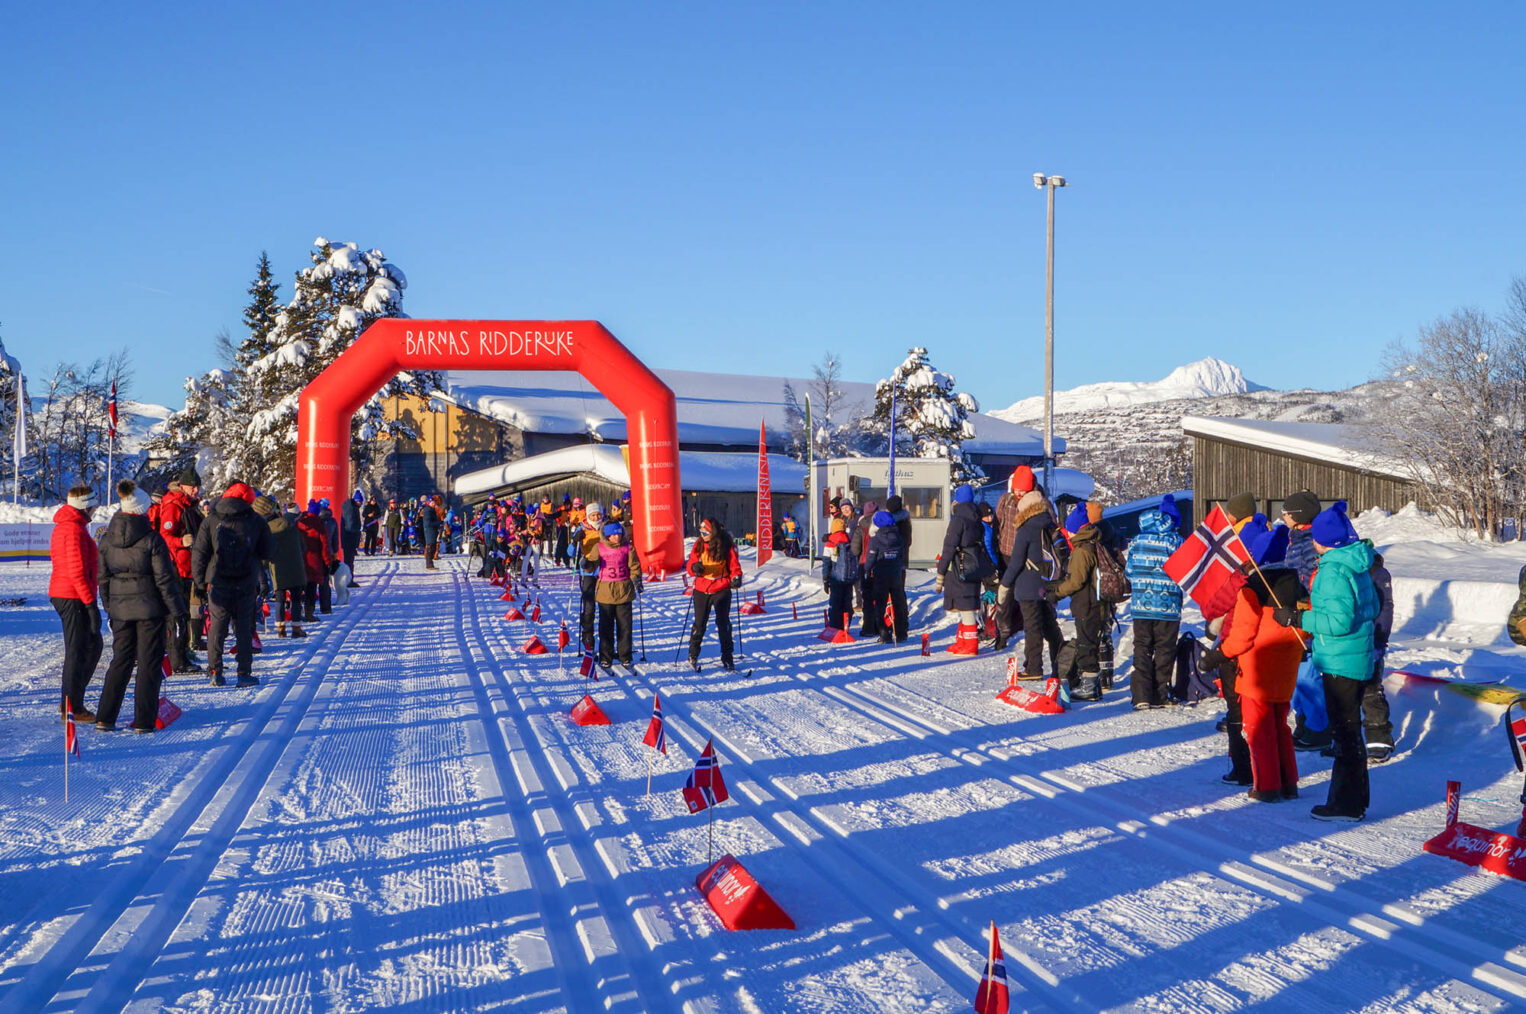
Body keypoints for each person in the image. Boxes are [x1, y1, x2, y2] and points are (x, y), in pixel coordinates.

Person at [1273, 500, 1380, 822]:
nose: (1314, 543)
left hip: (1340, 660)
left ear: (1325, 541)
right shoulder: (1356, 561)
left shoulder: (1333, 570)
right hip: (1356, 655)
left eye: (1317, 538)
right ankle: (1355, 799)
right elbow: (1371, 607)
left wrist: (1298, 618)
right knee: (1350, 732)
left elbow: (1338, 621)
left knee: (1345, 734)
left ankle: (1345, 805)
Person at [1210, 523, 1305, 801]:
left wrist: (1220, 654)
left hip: (1256, 671)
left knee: (1259, 730)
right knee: (1281, 727)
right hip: (1285, 670)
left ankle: (1266, 787)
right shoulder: (1297, 585)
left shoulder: (1252, 589)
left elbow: (1242, 636)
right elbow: (1304, 627)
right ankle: (1288, 782)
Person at [95, 480, 187, 732]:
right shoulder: (151, 539)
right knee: (148, 663)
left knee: (121, 661)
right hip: (150, 610)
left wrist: (110, 608)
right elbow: (164, 579)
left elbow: (103, 579)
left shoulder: (106, 539)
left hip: (120, 610)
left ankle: (105, 717)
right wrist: (178, 610)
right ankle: (145, 720)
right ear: (142, 509)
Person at [191, 482, 273, 688]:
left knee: (217, 627)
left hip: (218, 581)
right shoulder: (256, 520)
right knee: (243, 628)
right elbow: (268, 551)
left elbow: (199, 553)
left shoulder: (211, 520)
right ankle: (243, 673)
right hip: (245, 581)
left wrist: (199, 582)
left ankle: (215, 671)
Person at [1124, 494, 1185, 709]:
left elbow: (1129, 572)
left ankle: (1141, 695)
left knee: (1142, 647)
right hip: (1168, 607)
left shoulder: (1136, 541)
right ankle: (1160, 694)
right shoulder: (1176, 542)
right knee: (1164, 649)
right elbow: (1184, 573)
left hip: (1141, 605)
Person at [50, 484, 104, 722]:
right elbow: (76, 571)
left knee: (91, 645)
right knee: (78, 651)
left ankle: (71, 701)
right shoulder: (72, 529)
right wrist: (90, 604)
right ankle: (72, 707)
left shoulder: (73, 526)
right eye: (93, 506)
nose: (95, 511)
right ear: (85, 507)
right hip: (72, 596)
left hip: (71, 594)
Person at [998, 489, 1064, 677]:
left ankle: (1033, 668)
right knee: (1051, 628)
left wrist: (1005, 585)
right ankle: (1062, 666)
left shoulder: (1026, 529)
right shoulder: (1050, 524)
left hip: (1028, 587)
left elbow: (1016, 562)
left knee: (1033, 628)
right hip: (1049, 584)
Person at [1048, 502, 1105, 698]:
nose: (1068, 534)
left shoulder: (1082, 550)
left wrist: (1056, 593)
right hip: (1093, 602)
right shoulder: (1092, 543)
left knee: (1086, 645)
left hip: (1087, 603)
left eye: (1070, 530)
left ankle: (1089, 687)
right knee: (1088, 642)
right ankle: (1094, 685)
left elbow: (1076, 581)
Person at [152, 467, 205, 674]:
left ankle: (181, 655)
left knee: (183, 614)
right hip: (176, 567)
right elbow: (164, 535)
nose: (196, 490)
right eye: (192, 487)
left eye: (197, 487)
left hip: (186, 567)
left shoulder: (187, 505)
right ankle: (178, 659)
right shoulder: (173, 505)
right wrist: (181, 541)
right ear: (182, 486)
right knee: (177, 615)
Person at [935, 484, 989, 656]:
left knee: (965, 607)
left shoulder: (958, 521)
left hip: (959, 567)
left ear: (956, 501)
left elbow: (949, 547)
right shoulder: (977, 519)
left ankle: (970, 644)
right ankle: (962, 641)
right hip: (974, 566)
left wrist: (941, 571)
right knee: (967, 603)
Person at [686, 518, 743, 672]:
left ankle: (727, 658)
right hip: (702, 588)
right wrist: (694, 567)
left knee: (723, 624)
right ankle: (693, 655)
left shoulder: (726, 545)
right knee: (699, 624)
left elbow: (734, 565)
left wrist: (736, 577)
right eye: (700, 532)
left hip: (721, 588)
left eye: (705, 533)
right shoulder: (699, 544)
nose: (702, 535)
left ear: (713, 532)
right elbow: (690, 564)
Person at [590, 520, 642, 667]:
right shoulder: (599, 547)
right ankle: (606, 656)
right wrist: (586, 564)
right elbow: (592, 564)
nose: (616, 537)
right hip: (605, 591)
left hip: (624, 590)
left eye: (618, 534)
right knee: (605, 626)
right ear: (607, 536)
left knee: (625, 626)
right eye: (613, 535)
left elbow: (634, 566)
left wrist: (636, 579)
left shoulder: (628, 547)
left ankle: (625, 655)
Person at [255, 496, 307, 639]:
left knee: (280, 598)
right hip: (295, 566)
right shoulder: (290, 524)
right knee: (296, 598)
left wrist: (264, 566)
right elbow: (303, 546)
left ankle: (281, 629)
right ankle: (296, 629)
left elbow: (265, 553)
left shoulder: (267, 530)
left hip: (277, 568)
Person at [865, 509, 906, 644]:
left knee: (880, 605)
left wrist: (867, 569)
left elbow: (871, 558)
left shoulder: (876, 539)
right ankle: (901, 633)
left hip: (881, 575)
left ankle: (884, 633)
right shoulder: (899, 537)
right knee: (898, 604)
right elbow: (902, 555)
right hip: (895, 575)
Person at [574, 502, 606, 649]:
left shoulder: (606, 527)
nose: (596, 518)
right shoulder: (582, 529)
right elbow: (570, 552)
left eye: (598, 515)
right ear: (588, 516)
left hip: (605, 570)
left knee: (605, 607)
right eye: (593, 515)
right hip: (587, 571)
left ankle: (606, 640)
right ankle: (587, 636)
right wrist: (575, 541)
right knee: (589, 607)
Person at [296, 501, 333, 623]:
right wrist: (328, 562)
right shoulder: (320, 525)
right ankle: (309, 613)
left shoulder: (300, 523)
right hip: (315, 561)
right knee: (311, 588)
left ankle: (297, 612)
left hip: (300, 560)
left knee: (299, 588)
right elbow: (325, 546)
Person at [883, 494, 912, 642]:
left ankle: (895, 625)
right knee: (899, 594)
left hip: (894, 562)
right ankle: (901, 625)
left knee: (893, 594)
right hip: (900, 563)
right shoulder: (905, 521)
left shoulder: (896, 524)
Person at [341, 490, 363, 582]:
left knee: (348, 560)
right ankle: (348, 580)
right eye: (361, 502)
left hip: (346, 538)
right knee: (349, 560)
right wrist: (356, 533)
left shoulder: (349, 507)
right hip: (349, 539)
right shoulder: (352, 509)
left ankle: (348, 579)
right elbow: (351, 526)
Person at [421, 494, 442, 570]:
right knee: (430, 546)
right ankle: (429, 564)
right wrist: (438, 523)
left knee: (432, 546)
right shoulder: (428, 510)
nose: (434, 504)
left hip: (432, 530)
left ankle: (430, 564)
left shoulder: (431, 509)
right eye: (432, 502)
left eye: (434, 502)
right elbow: (428, 522)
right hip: (430, 530)